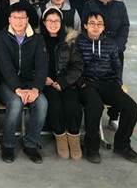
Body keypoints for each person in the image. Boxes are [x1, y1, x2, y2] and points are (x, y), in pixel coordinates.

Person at [76, 11, 137, 164]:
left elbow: (117, 66)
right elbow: (73, 66)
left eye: (99, 24)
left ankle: (122, 145)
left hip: (108, 83)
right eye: (92, 23)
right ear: (85, 25)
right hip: (87, 83)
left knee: (131, 108)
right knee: (95, 107)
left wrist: (118, 83)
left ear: (104, 27)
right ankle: (91, 148)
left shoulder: (110, 43)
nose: (95, 27)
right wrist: (81, 83)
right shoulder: (78, 42)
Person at [0, 3, 48, 164]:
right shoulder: (1, 37)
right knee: (15, 103)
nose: (18, 21)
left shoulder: (37, 39)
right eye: (15, 17)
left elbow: (42, 66)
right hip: (7, 83)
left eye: (22, 18)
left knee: (42, 103)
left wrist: (36, 89)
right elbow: (5, 66)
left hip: (30, 83)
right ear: (9, 19)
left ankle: (31, 144)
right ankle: (8, 145)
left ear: (27, 19)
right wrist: (17, 88)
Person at [83, 0, 130, 128]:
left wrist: (117, 46)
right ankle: (94, 111)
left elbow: (125, 26)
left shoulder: (120, 6)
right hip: (95, 49)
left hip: (116, 50)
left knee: (116, 81)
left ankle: (114, 116)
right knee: (94, 81)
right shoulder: (89, 5)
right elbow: (85, 26)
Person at [40, 8, 83, 160]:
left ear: (61, 22)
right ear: (44, 22)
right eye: (49, 20)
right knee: (55, 106)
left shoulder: (69, 40)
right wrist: (43, 78)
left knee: (73, 106)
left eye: (56, 21)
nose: (53, 24)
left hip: (66, 82)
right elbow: (30, 65)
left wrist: (64, 82)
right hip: (47, 83)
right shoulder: (37, 40)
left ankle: (73, 137)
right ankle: (60, 136)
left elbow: (77, 65)